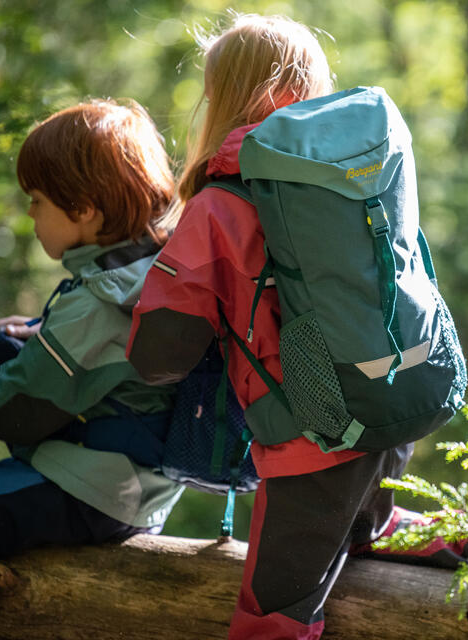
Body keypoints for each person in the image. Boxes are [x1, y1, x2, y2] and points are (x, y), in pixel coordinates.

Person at [127, 14, 413, 639]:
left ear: (226, 97)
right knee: (366, 536)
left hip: (313, 440)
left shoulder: (222, 202)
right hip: (393, 403)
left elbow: (159, 354)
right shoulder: (359, 181)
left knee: (270, 621)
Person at [0, 99, 184, 573]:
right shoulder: (148, 272)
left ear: (82, 208)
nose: (30, 212)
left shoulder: (98, 304)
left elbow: (11, 413)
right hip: (139, 491)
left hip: (91, 491)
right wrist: (33, 331)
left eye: (37, 200)